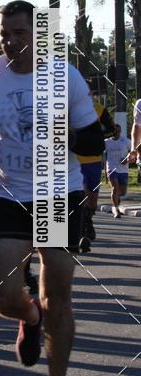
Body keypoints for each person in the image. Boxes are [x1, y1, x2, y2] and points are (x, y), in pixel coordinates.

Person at [0, 0, 104, 376]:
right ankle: (29, 315)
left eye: (19, 32)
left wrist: (59, 135)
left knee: (58, 295)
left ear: (38, 35)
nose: (10, 41)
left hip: (55, 195)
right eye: (4, 33)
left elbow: (93, 142)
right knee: (1, 296)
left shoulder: (64, 77)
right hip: (6, 194)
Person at [77, 81, 116, 252]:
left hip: (93, 160)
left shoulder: (99, 109)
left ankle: (88, 220)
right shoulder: (67, 107)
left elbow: (112, 130)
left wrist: (96, 136)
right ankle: (82, 229)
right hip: (74, 160)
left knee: (92, 196)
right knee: (82, 192)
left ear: (91, 92)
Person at [104, 123, 130, 217]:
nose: (117, 132)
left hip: (123, 170)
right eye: (115, 131)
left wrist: (127, 159)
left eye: (118, 131)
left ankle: (116, 198)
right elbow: (103, 156)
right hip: (111, 168)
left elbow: (132, 152)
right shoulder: (106, 142)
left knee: (122, 192)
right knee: (115, 188)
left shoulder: (126, 141)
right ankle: (116, 209)